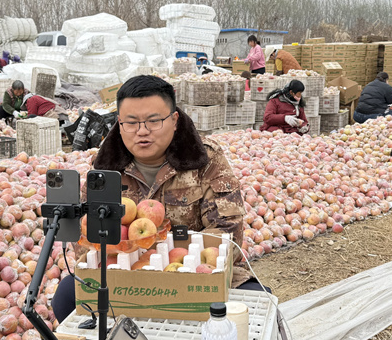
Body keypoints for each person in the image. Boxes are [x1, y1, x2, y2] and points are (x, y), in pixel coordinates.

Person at [51, 75, 266, 322]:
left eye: (154, 121)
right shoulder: (105, 170)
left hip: (194, 274)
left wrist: (174, 265)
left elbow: (228, 233)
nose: (142, 132)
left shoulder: (204, 161)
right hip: (125, 275)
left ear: (174, 120)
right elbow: (87, 237)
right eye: (131, 123)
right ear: (119, 123)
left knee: (255, 304)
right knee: (66, 295)